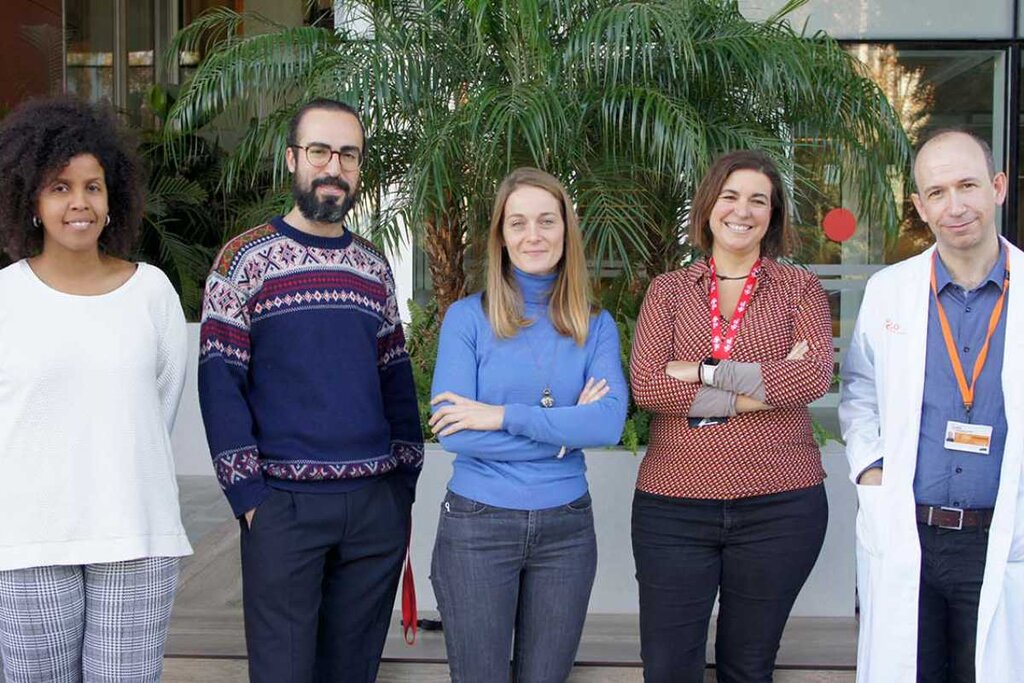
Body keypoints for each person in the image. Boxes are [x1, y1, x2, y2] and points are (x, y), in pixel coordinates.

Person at [198, 98, 423, 683]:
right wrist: (249, 499)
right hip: (283, 507)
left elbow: (395, 378)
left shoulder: (373, 266)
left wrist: (403, 486)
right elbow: (221, 381)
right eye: (320, 151)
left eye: (348, 154)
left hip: (374, 506)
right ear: (293, 158)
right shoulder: (242, 260)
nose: (334, 167)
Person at [0, 97, 191, 682]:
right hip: (27, 543)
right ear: (31, 199)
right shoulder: (5, 297)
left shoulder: (152, 292)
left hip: (136, 534)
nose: (79, 203)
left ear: (115, 198)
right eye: (59, 188)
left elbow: (161, 405)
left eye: (93, 186)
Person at [629, 150, 834, 682]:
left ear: (773, 214)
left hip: (779, 508)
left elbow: (812, 378)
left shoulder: (800, 288)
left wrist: (700, 370)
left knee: (748, 667)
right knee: (669, 668)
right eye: (731, 196)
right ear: (709, 206)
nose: (743, 211)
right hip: (674, 506)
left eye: (759, 200)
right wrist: (765, 382)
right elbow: (649, 385)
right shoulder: (668, 290)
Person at [428, 167, 627, 682]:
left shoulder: (594, 323)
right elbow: (453, 430)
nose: (533, 235)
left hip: (566, 529)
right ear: (500, 236)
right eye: (517, 223)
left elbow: (607, 424)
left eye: (546, 221)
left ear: (567, 230)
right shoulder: (467, 319)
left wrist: (500, 416)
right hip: (477, 525)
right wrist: (562, 432)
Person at [840, 128, 1024, 681]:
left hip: (1000, 535)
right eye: (937, 192)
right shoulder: (889, 291)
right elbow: (859, 390)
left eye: (967, 185)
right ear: (920, 206)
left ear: (998, 187)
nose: (955, 205)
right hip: (908, 532)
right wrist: (870, 470)